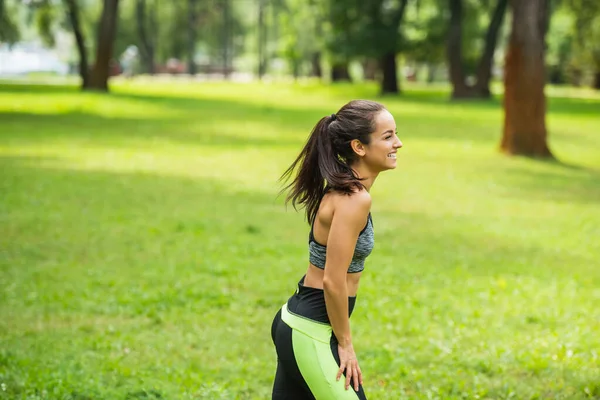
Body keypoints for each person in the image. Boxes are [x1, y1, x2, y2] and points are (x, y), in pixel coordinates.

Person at [271, 99, 403, 399]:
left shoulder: (345, 190)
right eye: (388, 136)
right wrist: (346, 344)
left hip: (298, 323)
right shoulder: (354, 199)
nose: (398, 143)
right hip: (311, 328)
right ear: (359, 147)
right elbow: (333, 280)